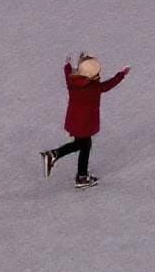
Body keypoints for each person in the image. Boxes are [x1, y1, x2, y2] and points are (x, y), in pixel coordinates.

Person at [40, 53, 129, 187]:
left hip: (74, 120)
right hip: (84, 123)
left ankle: (60, 159)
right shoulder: (94, 88)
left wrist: (68, 65)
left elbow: (68, 72)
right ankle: (76, 172)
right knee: (84, 145)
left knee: (81, 144)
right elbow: (108, 85)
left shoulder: (72, 82)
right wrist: (121, 75)